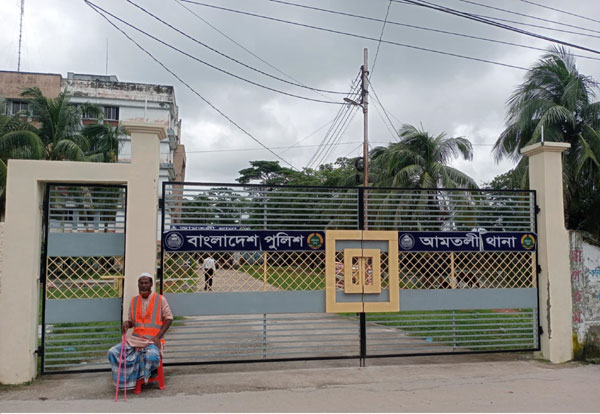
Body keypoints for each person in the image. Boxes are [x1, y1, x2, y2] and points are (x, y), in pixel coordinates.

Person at [107, 272, 173, 390]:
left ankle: (146, 374)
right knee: (113, 352)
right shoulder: (134, 301)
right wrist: (128, 323)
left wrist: (158, 336)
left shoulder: (160, 299)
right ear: (138, 285)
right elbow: (132, 321)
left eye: (146, 283)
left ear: (151, 284)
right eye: (141, 283)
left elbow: (169, 319)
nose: (143, 286)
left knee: (152, 356)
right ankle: (125, 380)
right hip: (135, 341)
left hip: (152, 342)